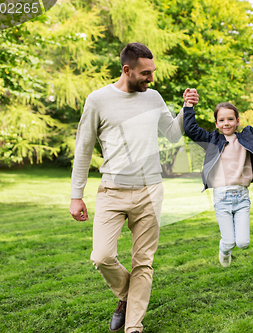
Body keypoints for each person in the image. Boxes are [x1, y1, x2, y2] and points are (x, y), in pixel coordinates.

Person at [69, 42, 199, 333]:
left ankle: (133, 327)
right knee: (101, 257)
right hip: (112, 191)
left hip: (150, 190)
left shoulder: (153, 98)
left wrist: (186, 108)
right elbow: (83, 149)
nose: (151, 78)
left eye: (152, 72)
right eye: (145, 73)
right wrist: (76, 196)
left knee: (143, 261)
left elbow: (174, 133)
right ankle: (127, 295)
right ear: (126, 70)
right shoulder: (98, 100)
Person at [183, 92, 253, 267]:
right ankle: (224, 251)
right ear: (216, 124)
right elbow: (191, 130)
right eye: (222, 120)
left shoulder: (247, 137)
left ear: (237, 121)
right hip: (221, 198)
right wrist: (188, 107)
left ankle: (230, 247)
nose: (227, 123)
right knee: (229, 242)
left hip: (242, 198)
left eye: (230, 119)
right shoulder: (212, 139)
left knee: (243, 243)